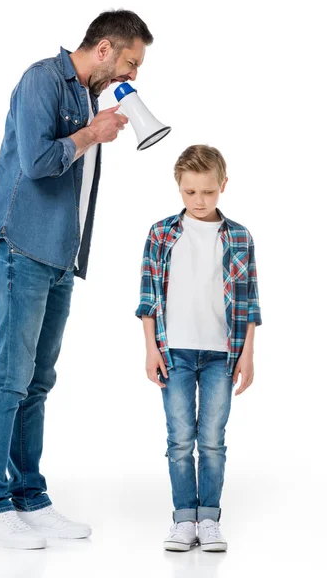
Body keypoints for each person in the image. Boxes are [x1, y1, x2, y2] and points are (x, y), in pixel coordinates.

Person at [0, 9, 153, 550]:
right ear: (103, 49)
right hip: (19, 246)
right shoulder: (40, 80)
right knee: (9, 377)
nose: (132, 76)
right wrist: (91, 134)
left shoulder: (86, 95)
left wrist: (94, 127)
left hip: (58, 256)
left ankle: (29, 497)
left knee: (38, 382)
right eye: (130, 62)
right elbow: (36, 161)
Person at [135, 145, 262, 552]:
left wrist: (248, 354)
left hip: (221, 354)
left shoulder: (239, 236)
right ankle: (183, 520)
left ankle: (208, 518)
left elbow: (250, 300)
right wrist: (151, 349)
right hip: (176, 352)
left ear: (223, 185)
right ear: (179, 188)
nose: (199, 201)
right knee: (179, 439)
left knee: (211, 439)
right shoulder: (162, 233)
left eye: (207, 192)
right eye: (190, 193)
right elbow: (148, 298)